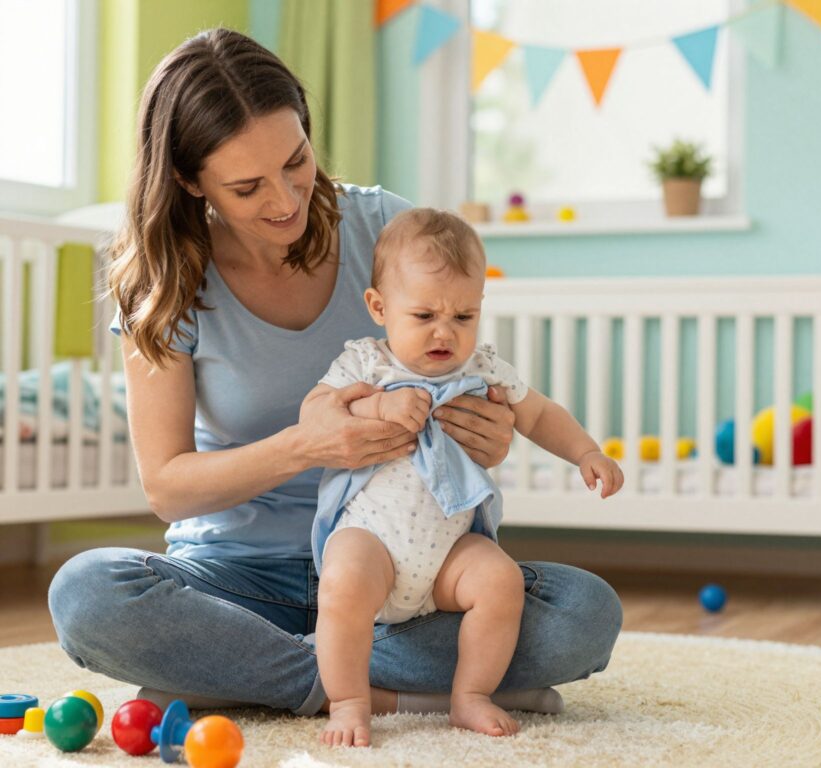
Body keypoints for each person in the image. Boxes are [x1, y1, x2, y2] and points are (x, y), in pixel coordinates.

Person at [46, 28, 622, 720]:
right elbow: (167, 487)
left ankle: (242, 673)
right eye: (247, 187)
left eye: (296, 161)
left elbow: (474, 380)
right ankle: (375, 688)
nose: (286, 199)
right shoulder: (165, 281)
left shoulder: (388, 230)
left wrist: (487, 434)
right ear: (189, 180)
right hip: (237, 578)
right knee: (87, 595)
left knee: (583, 613)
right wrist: (306, 446)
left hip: (407, 577)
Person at [310, 208, 624, 746]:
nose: (445, 331)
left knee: (500, 580)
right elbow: (314, 415)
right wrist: (376, 408)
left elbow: (539, 414)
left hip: (449, 551)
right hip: (373, 539)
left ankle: (470, 694)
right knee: (343, 583)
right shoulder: (366, 364)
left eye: (463, 316)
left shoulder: (482, 369)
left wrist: (586, 452)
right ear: (379, 307)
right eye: (424, 315)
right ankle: (349, 700)